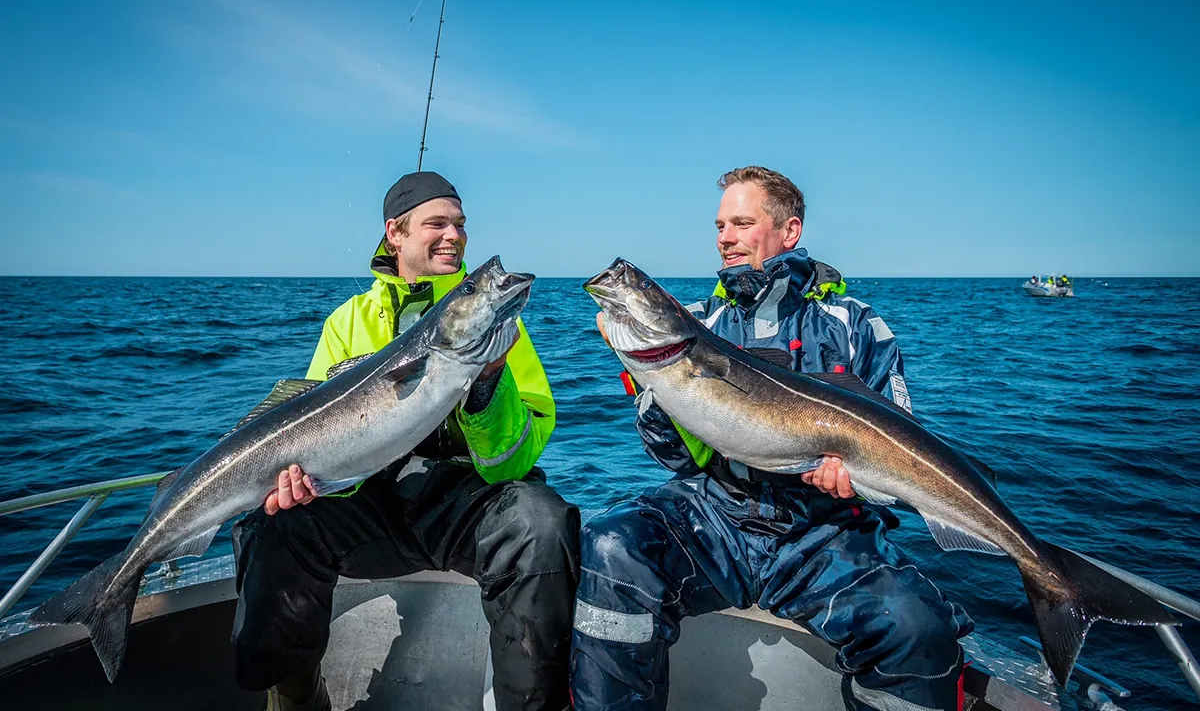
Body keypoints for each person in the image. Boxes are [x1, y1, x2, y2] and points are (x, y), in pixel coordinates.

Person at [570, 166, 972, 711]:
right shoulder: (700, 322)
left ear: (790, 231)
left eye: (741, 223)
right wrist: (648, 383)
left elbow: (898, 432)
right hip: (717, 514)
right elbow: (673, 457)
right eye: (719, 225)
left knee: (914, 628)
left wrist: (854, 483)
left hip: (824, 532)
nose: (725, 238)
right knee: (612, 545)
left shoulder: (854, 322)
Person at [232, 171, 580, 711]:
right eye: (436, 223)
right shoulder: (346, 323)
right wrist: (306, 484)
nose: (454, 236)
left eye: (460, 224)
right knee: (271, 528)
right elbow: (321, 442)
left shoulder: (498, 323)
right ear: (394, 232)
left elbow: (521, 454)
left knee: (541, 524)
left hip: (466, 502)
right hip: (372, 503)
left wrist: (488, 382)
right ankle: (296, 697)